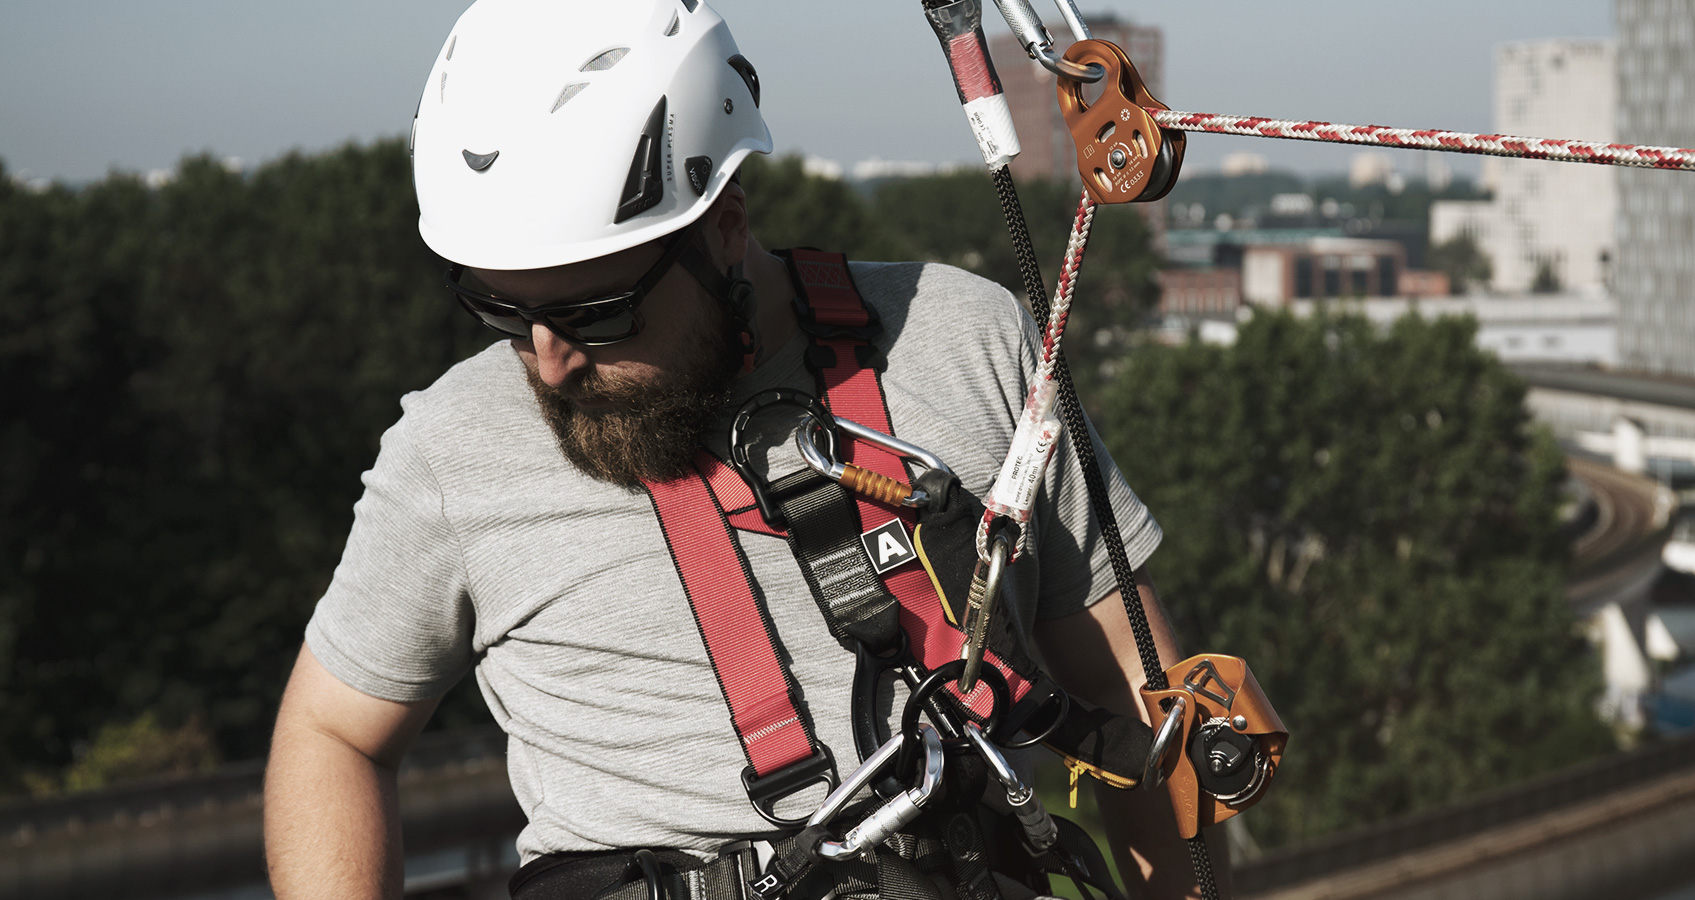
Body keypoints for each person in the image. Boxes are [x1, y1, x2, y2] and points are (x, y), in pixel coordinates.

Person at [262, 1, 1216, 898]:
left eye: (598, 311)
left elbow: (1130, 690)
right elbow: (333, 733)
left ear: (725, 228)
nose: (548, 363)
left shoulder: (960, 340)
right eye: (502, 309)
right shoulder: (452, 445)